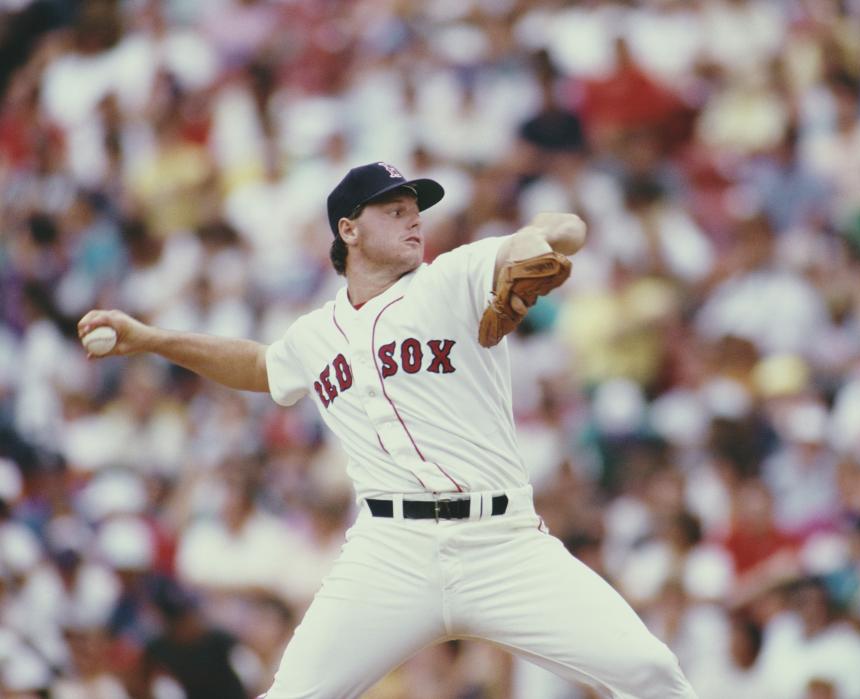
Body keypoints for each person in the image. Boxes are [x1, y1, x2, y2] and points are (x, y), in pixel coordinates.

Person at [78, 162, 697, 699]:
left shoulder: (452, 278)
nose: (414, 221)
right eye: (395, 210)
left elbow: (567, 229)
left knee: (650, 672)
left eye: (416, 210)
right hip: (391, 551)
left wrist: (533, 246)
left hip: (502, 544)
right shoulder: (315, 334)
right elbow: (260, 365)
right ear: (348, 230)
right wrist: (152, 339)